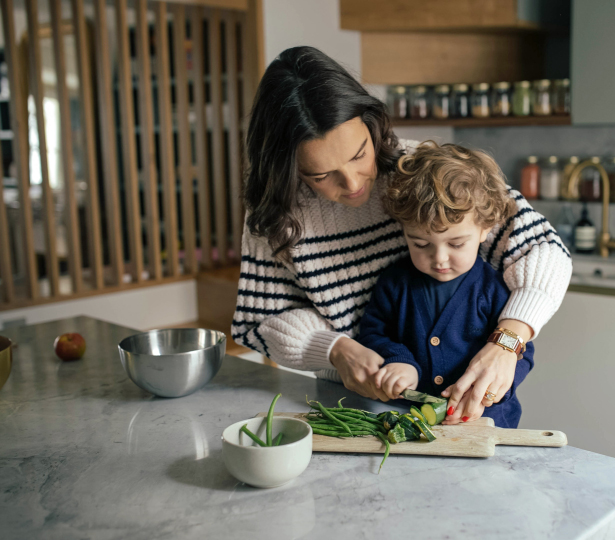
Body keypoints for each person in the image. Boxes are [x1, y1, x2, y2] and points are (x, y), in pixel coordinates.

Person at [233, 46, 572, 425]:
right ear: (287, 167)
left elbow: (544, 250)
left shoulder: (421, 170)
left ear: (371, 122)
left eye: (360, 154)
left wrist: (507, 342)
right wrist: (333, 350)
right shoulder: (274, 209)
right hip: (354, 408)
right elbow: (261, 320)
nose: (353, 183)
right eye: (321, 175)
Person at [356, 142, 534, 427]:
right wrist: (398, 360)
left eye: (456, 244)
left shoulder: (495, 287)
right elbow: (373, 332)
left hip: (487, 422)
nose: (439, 259)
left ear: (485, 229)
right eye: (420, 243)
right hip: (410, 421)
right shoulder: (394, 283)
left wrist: (493, 391)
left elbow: (521, 353)